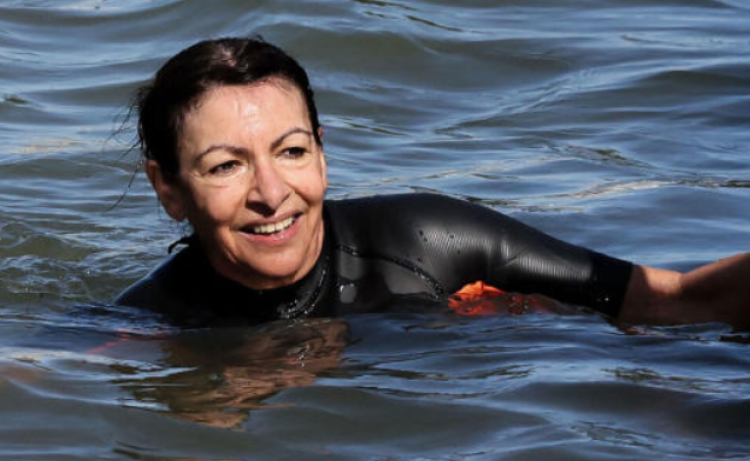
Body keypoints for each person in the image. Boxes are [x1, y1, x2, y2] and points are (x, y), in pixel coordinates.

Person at [117, 36, 750, 330]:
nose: (271, 191)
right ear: (167, 189)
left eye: (291, 151)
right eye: (227, 165)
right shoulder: (152, 321)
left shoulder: (428, 242)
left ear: (323, 156)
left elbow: (673, 302)